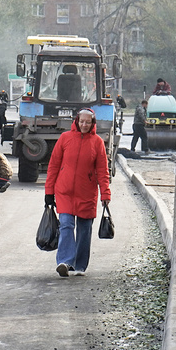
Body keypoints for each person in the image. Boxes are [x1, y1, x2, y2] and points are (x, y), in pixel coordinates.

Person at [44, 108, 111, 278]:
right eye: (82, 121)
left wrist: (105, 194)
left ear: (93, 123)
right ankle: (65, 262)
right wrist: (49, 191)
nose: (84, 125)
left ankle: (80, 265)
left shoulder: (97, 142)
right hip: (64, 192)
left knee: (84, 230)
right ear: (76, 121)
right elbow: (53, 166)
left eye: (88, 122)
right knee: (66, 225)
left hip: (87, 194)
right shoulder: (65, 138)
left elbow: (103, 171)